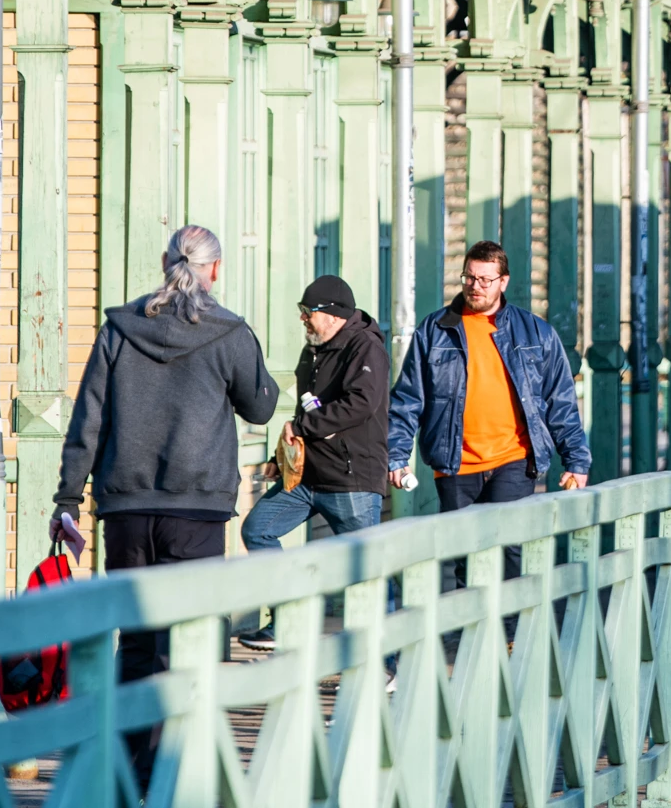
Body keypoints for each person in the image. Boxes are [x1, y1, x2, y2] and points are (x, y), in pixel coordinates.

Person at [53, 224, 278, 784]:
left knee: (135, 642)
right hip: (196, 510)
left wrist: (68, 496)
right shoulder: (229, 332)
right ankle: (179, 774)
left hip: (126, 509)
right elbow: (260, 407)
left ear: (164, 262)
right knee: (189, 641)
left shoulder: (120, 328)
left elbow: (89, 419)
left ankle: (128, 774)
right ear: (214, 269)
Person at [239, 275, 390, 651]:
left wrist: (303, 427)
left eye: (308, 311)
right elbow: (304, 410)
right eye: (301, 311)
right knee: (258, 530)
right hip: (307, 477)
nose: (303, 318)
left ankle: (382, 662)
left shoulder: (365, 348)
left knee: (365, 571)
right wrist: (282, 456)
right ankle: (288, 623)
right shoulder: (314, 348)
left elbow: (361, 404)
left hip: (351, 479)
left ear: (334, 314)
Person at [388, 240, 591, 516]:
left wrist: (576, 460)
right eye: (469, 277)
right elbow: (408, 398)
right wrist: (397, 454)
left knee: (507, 540)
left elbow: (561, 401)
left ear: (503, 282)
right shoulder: (435, 331)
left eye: (485, 280)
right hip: (455, 466)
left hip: (514, 461)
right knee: (461, 543)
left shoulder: (535, 332)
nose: (475, 286)